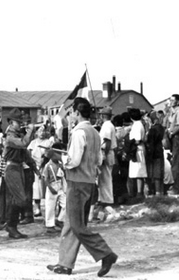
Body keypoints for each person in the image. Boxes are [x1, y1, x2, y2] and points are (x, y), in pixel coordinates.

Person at [46, 97, 118, 277]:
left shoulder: (79, 132)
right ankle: (65, 264)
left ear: (77, 113)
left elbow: (73, 161)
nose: (69, 116)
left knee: (77, 226)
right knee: (71, 224)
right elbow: (99, 159)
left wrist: (57, 157)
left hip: (77, 184)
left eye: (71, 113)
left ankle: (106, 253)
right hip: (89, 183)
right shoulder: (94, 132)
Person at [1, 108, 35, 239]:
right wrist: (30, 130)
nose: (20, 124)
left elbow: (25, 154)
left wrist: (34, 167)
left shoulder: (17, 135)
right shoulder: (10, 137)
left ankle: (12, 226)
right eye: (18, 122)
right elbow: (23, 144)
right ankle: (10, 225)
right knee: (21, 199)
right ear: (10, 122)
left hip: (19, 168)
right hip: (11, 169)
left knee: (17, 199)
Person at [96, 106, 116, 218]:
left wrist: (103, 156)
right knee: (103, 179)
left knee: (106, 179)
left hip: (106, 153)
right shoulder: (107, 125)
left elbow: (107, 142)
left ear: (103, 116)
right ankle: (103, 202)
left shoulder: (107, 125)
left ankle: (107, 202)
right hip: (106, 152)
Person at [43, 142, 66, 233]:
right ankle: (49, 225)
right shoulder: (48, 166)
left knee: (66, 204)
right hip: (52, 186)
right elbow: (45, 179)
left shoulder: (60, 164)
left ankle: (60, 220)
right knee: (50, 206)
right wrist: (50, 188)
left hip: (60, 186)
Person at [166, 94, 179, 194]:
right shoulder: (173, 112)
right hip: (175, 138)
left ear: (177, 102)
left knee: (177, 163)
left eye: (172, 100)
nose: (170, 101)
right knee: (176, 162)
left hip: (178, 138)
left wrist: (172, 132)